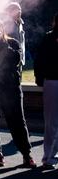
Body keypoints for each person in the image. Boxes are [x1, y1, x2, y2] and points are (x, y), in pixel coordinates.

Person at [0, 18, 35, 168]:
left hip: (10, 89)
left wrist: (3, 45)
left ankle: (27, 155)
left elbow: (16, 59)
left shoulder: (12, 43)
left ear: (2, 30)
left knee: (17, 122)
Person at [34, 13, 58, 170]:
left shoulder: (48, 38)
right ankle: (49, 156)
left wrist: (39, 78)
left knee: (51, 121)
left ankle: (49, 156)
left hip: (51, 81)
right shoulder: (49, 38)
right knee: (51, 122)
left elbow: (39, 60)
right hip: (52, 80)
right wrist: (40, 77)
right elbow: (39, 60)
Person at [5, 2, 26, 67]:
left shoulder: (21, 24)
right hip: (11, 60)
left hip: (20, 60)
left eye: (20, 10)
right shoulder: (6, 24)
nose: (19, 12)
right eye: (17, 10)